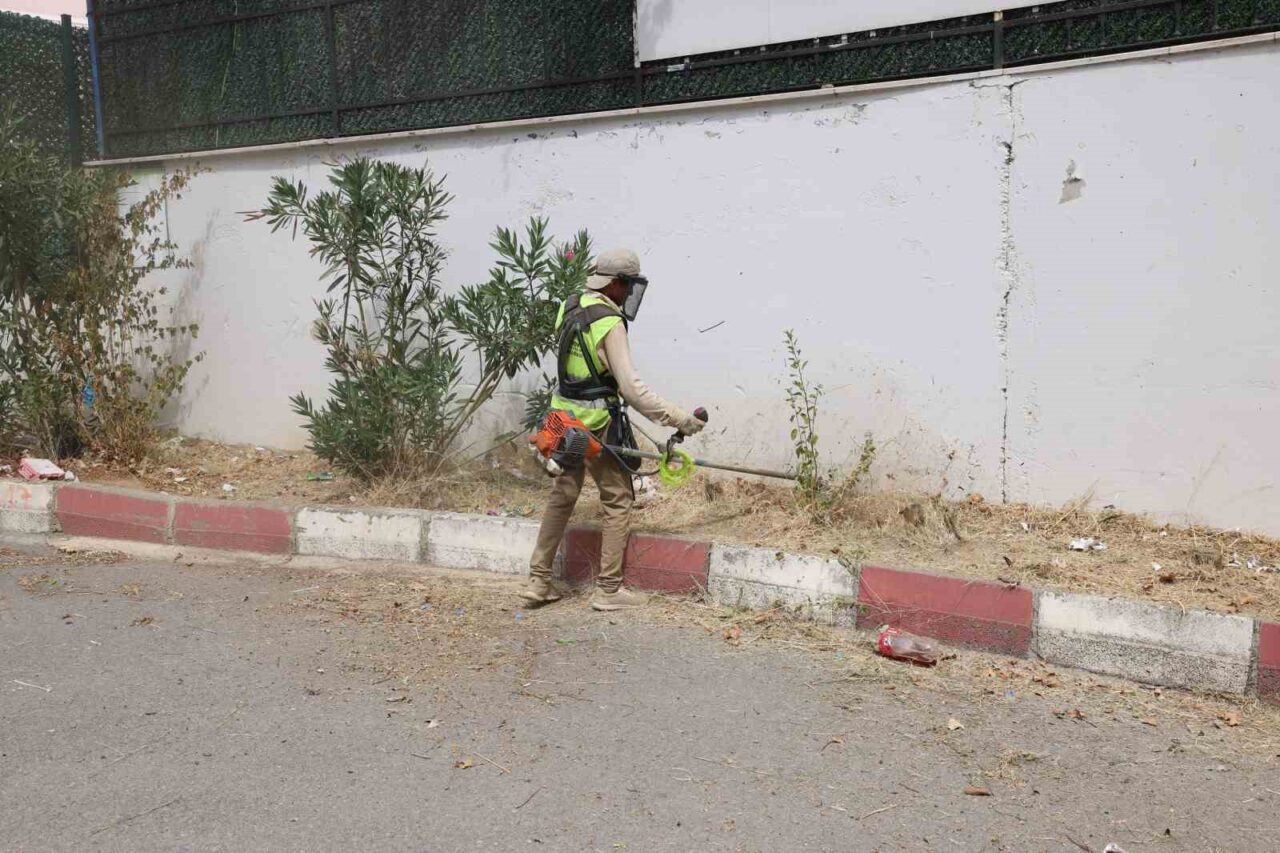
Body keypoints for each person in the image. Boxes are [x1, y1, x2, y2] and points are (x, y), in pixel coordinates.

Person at [522, 248, 705, 611]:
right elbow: (632, 390)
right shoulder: (610, 322)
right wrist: (679, 418)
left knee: (562, 497)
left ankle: (538, 581)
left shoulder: (569, 306)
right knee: (617, 499)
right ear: (616, 284)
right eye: (629, 285)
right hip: (596, 426)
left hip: (562, 420)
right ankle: (608, 590)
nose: (629, 293)